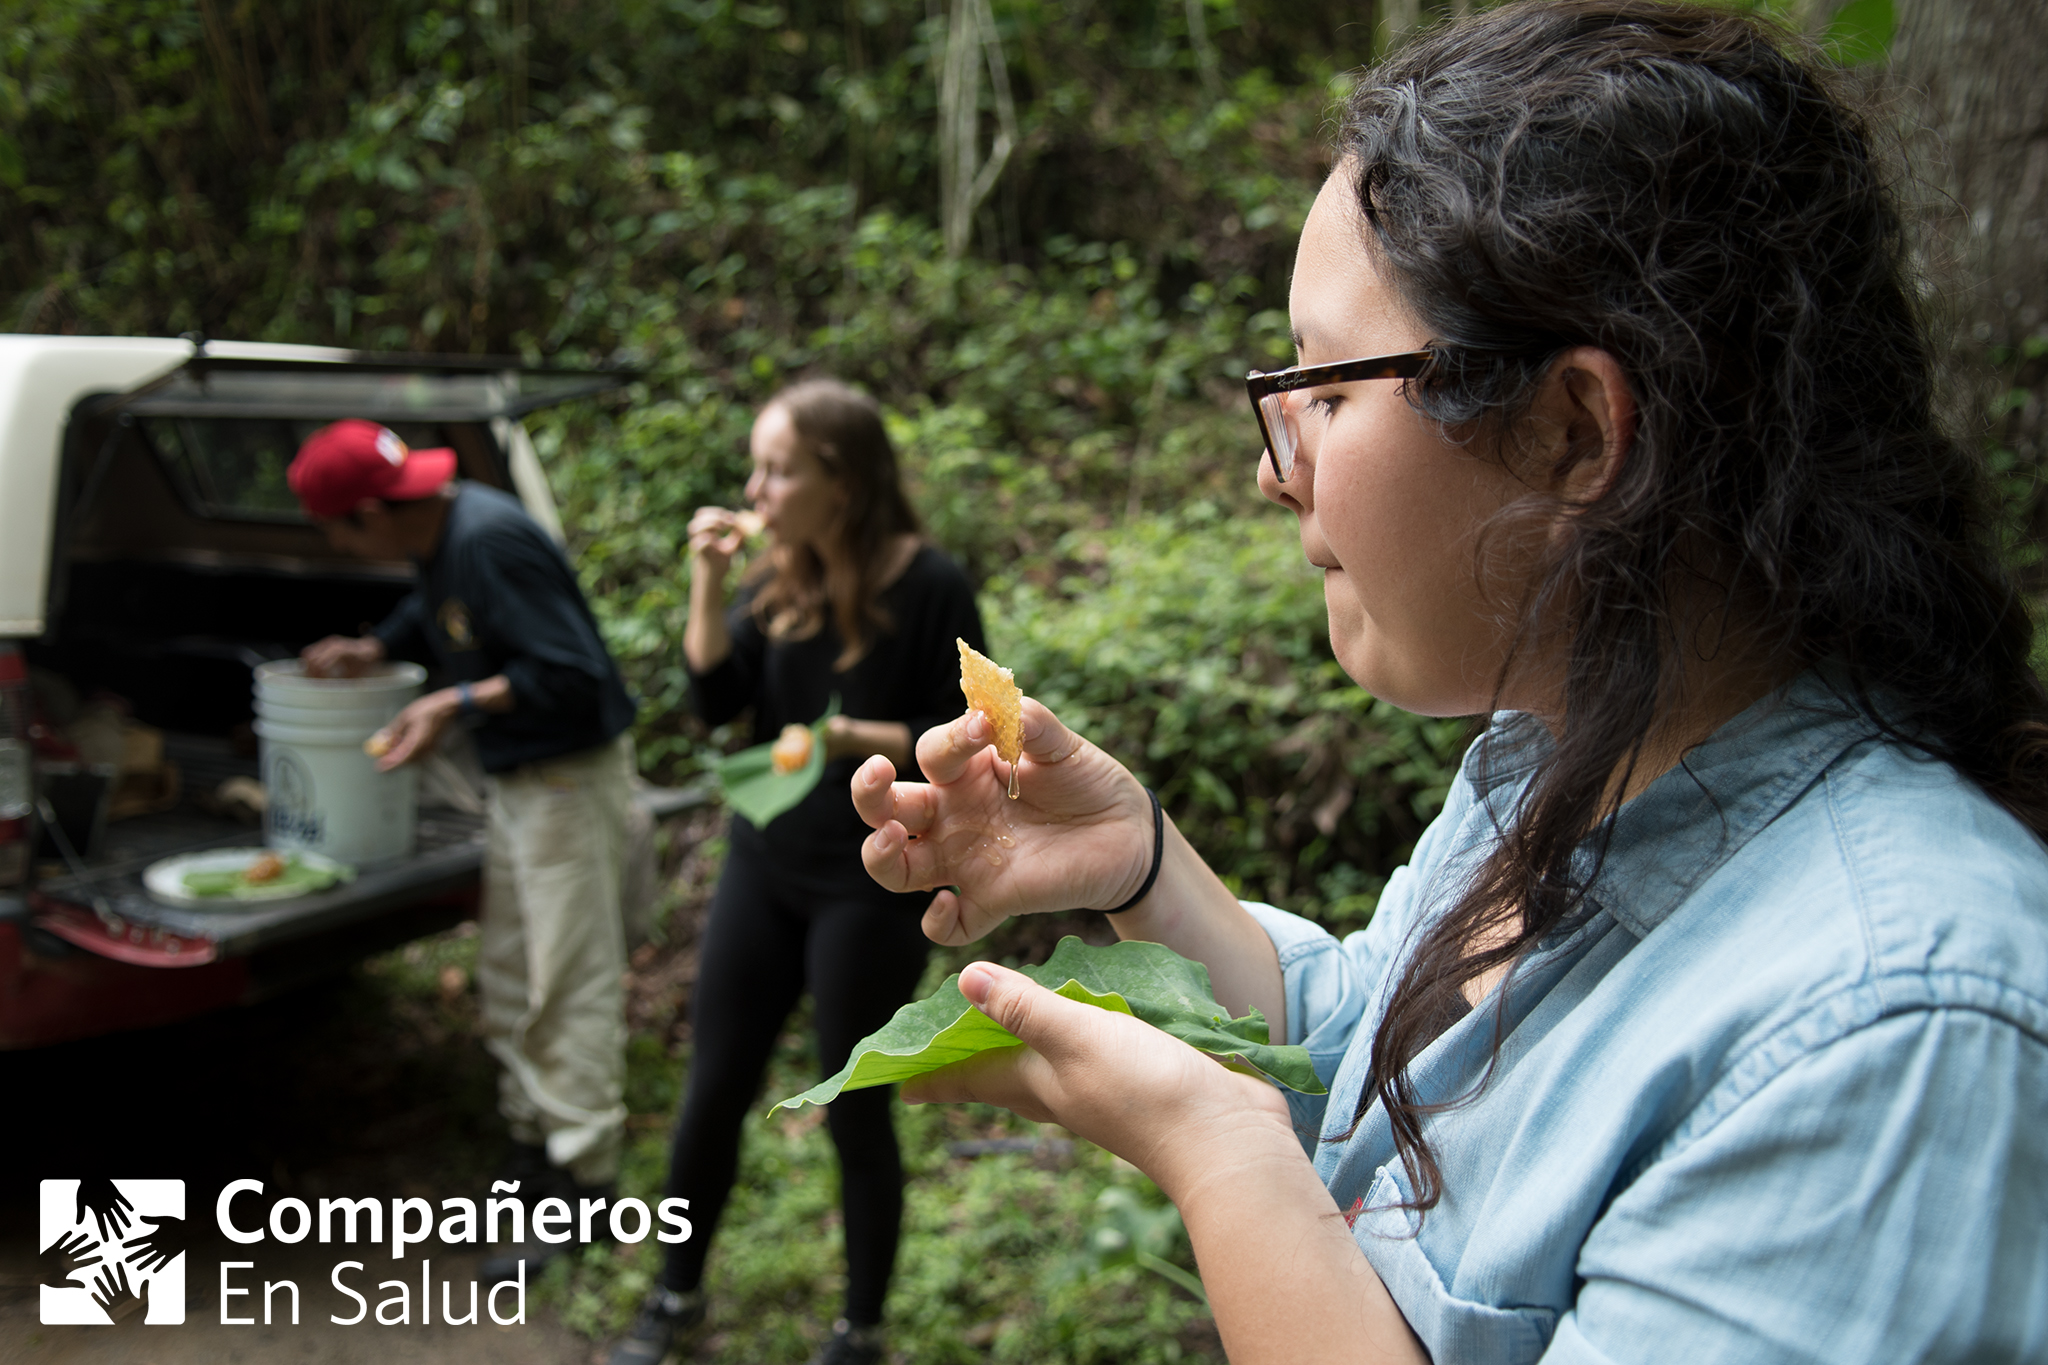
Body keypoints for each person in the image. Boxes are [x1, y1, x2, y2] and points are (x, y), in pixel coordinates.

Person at [848, 5, 2048, 1362]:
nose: (1272, 463)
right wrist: (1145, 870)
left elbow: (1306, 1144)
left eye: (1327, 388)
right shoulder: (1561, 763)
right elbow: (1375, 1060)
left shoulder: (1892, 1025)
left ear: (1576, 431)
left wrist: (1218, 1155)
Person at [609, 379, 985, 1365]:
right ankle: (672, 1299)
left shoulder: (930, 583)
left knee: (851, 1102)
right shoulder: (780, 580)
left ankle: (858, 1333)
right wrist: (703, 580)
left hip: (870, 882)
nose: (756, 489)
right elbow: (716, 703)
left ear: (841, 480)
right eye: (756, 468)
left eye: (777, 469)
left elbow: (978, 737)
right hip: (764, 864)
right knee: (712, 1088)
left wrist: (865, 737)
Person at [289, 419, 638, 1285]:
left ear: (371, 512)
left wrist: (450, 704)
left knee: (569, 975)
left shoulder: (489, 541)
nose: (339, 543)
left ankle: (586, 1184)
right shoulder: (437, 531)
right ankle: (536, 1149)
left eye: (339, 527)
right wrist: (378, 647)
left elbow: (574, 670)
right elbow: (435, 606)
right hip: (520, 782)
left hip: (566, 778)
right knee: (515, 973)